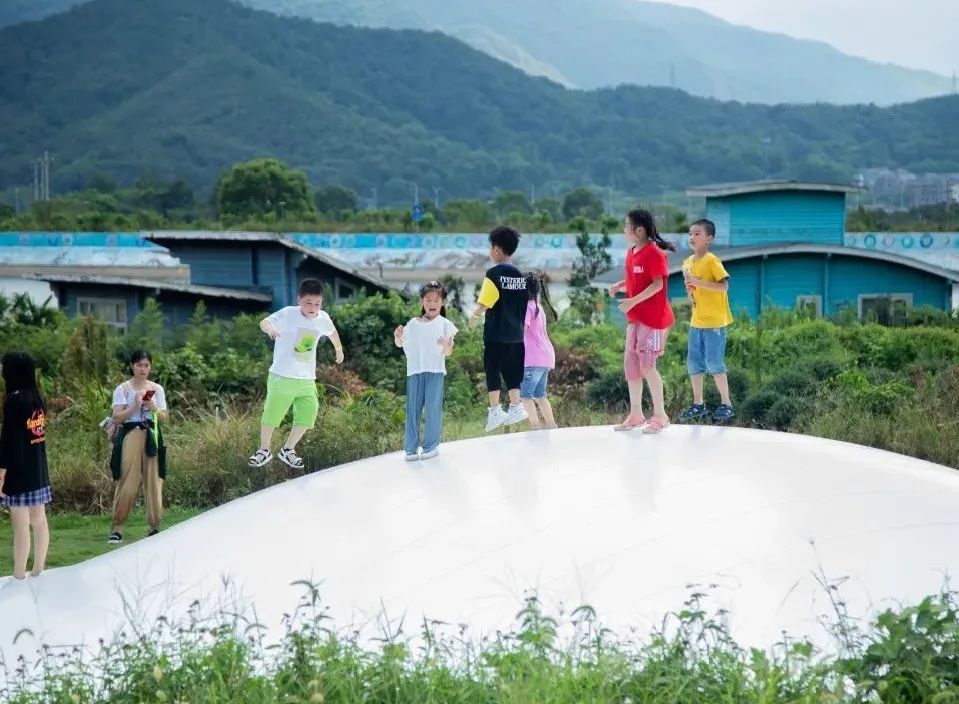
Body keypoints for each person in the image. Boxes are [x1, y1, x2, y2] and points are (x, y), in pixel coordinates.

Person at [249, 278, 344, 470]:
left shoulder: (323, 318)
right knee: (272, 414)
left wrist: (339, 350)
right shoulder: (288, 314)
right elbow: (264, 322)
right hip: (282, 375)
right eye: (308, 303)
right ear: (299, 299)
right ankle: (264, 450)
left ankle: (288, 449)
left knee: (309, 413)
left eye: (317, 303)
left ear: (321, 303)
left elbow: (332, 332)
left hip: (306, 378)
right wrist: (271, 330)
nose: (312, 307)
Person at [608, 208, 676, 434]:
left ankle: (661, 416)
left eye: (627, 226)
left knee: (648, 366)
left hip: (653, 319)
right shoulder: (632, 252)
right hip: (635, 318)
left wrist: (632, 301)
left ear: (639, 230)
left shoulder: (655, 254)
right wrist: (621, 286)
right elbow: (637, 280)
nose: (624, 229)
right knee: (632, 366)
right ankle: (636, 414)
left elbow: (657, 285)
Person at [468, 226, 529, 432]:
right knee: (513, 372)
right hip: (516, 336)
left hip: (496, 334)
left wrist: (475, 315)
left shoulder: (493, 273)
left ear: (496, 249)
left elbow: (487, 300)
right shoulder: (520, 276)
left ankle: (495, 410)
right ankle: (516, 406)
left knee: (492, 369)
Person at [0, 351, 51, 579]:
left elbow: (8, 441)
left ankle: (18, 575)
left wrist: (1, 472)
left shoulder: (13, 401)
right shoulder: (37, 399)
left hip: (18, 471)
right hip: (38, 468)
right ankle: (38, 571)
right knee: (39, 521)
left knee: (20, 525)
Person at [678, 219, 735, 423]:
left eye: (697, 234)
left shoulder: (712, 260)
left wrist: (698, 282)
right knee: (694, 364)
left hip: (714, 322)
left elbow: (723, 287)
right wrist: (691, 292)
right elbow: (691, 291)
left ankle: (726, 404)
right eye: (690, 234)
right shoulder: (687, 263)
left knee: (714, 363)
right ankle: (698, 404)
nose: (692, 237)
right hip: (697, 321)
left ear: (709, 239)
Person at [108, 349, 168, 544]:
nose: (143, 369)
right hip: (131, 434)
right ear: (132, 366)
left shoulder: (157, 389)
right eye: (139, 365)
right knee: (128, 482)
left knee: (153, 481)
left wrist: (152, 406)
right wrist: (134, 405)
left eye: (146, 365)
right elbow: (117, 418)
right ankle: (117, 528)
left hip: (151, 434)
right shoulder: (123, 389)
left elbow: (164, 418)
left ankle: (154, 526)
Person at [394, 281, 457, 461]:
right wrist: (397, 336)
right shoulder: (412, 324)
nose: (432, 304)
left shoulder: (445, 324)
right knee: (412, 410)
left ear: (442, 302)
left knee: (432, 409)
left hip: (436, 371)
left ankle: (430, 446)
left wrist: (446, 345)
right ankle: (411, 449)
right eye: (428, 300)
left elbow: (449, 352)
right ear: (422, 302)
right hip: (414, 371)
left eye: (436, 300)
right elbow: (400, 343)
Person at [521, 270, 558, 430]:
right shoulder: (539, 307)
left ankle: (535, 427)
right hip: (546, 357)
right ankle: (551, 425)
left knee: (525, 396)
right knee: (539, 395)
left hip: (532, 359)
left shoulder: (527, 308)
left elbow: (522, 330)